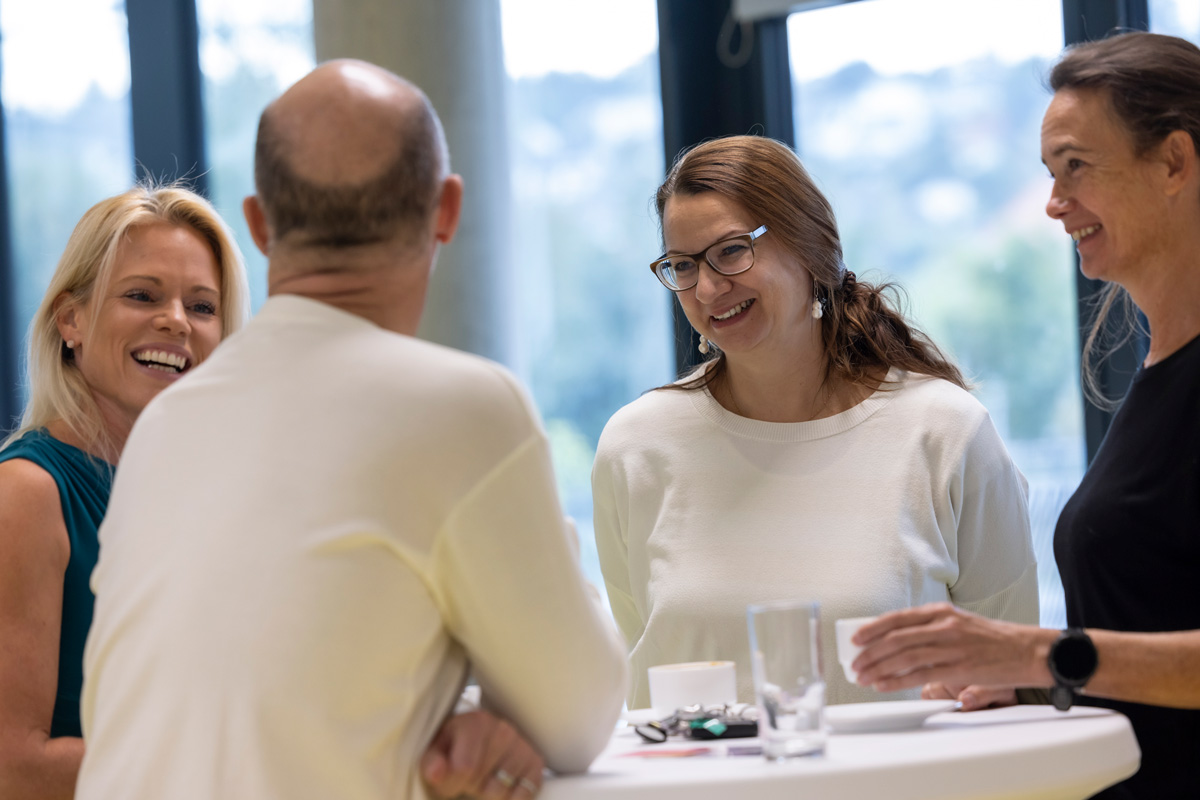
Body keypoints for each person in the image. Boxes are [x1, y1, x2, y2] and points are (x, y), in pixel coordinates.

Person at [74, 59, 627, 800]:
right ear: (447, 211)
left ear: (260, 225)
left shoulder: (168, 421)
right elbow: (579, 719)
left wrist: (446, 708)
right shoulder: (461, 408)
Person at [848, 31, 1200, 799]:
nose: (1053, 203)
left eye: (1076, 168)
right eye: (1049, 173)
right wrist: (1036, 686)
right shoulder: (1157, 374)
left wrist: (1041, 656)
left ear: (1174, 161)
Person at [592, 134, 1039, 710]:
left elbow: (1013, 680)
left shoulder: (945, 431)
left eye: (731, 251)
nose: (706, 287)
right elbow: (641, 659)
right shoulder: (638, 444)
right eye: (682, 264)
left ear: (810, 247)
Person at [0, 184, 250, 800]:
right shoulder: (26, 495)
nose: (175, 321)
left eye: (203, 306)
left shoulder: (205, 495)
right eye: (141, 295)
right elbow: (14, 768)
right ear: (70, 320)